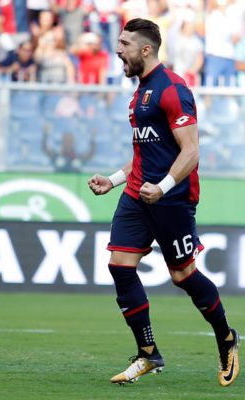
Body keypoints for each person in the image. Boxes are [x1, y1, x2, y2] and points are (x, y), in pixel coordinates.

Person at [87, 18, 239, 386]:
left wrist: (165, 186)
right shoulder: (139, 93)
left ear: (146, 49)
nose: (118, 50)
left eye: (124, 44)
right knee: (120, 265)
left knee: (183, 276)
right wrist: (114, 180)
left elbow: (191, 151)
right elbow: (145, 154)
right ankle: (148, 353)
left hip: (172, 200)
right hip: (137, 195)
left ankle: (226, 338)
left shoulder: (173, 89)